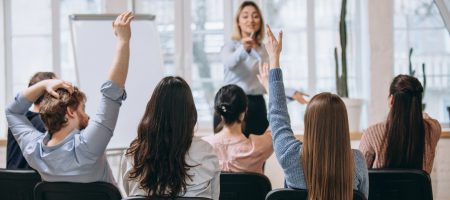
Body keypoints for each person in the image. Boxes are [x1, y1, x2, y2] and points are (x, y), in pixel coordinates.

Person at [5, 11, 134, 185]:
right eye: (83, 109)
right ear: (70, 111)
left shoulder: (34, 151)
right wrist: (123, 40)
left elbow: (12, 111)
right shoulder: (88, 147)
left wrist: (44, 85)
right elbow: (111, 93)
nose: (88, 117)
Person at [265, 25, 369, 199]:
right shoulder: (356, 162)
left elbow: (278, 116)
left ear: (309, 123)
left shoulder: (291, 156)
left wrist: (274, 60)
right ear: (343, 124)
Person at [121, 77, 220, 199]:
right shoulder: (206, 152)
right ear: (190, 112)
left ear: (152, 110)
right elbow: (214, 197)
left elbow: (131, 196)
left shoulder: (133, 154)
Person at [219, 1, 307, 136]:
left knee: (258, 154)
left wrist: (291, 92)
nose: (251, 20)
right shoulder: (230, 47)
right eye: (245, 16)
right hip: (232, 105)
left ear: (260, 21)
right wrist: (243, 49)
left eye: (255, 16)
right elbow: (229, 63)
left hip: (256, 106)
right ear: (238, 22)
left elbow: (270, 80)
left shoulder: (265, 50)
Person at [359, 75, 441, 174]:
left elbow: (359, 176)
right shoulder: (432, 129)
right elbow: (426, 117)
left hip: (382, 190)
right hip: (417, 190)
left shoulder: (371, 133)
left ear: (391, 100)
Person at [203, 84, 273, 174]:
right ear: (244, 111)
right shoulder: (257, 148)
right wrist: (270, 88)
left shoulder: (203, 147)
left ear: (220, 113)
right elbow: (278, 123)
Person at [6, 72, 57, 169]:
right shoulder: (51, 124)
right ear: (49, 92)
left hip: (9, 182)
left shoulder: (16, 121)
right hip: (34, 183)